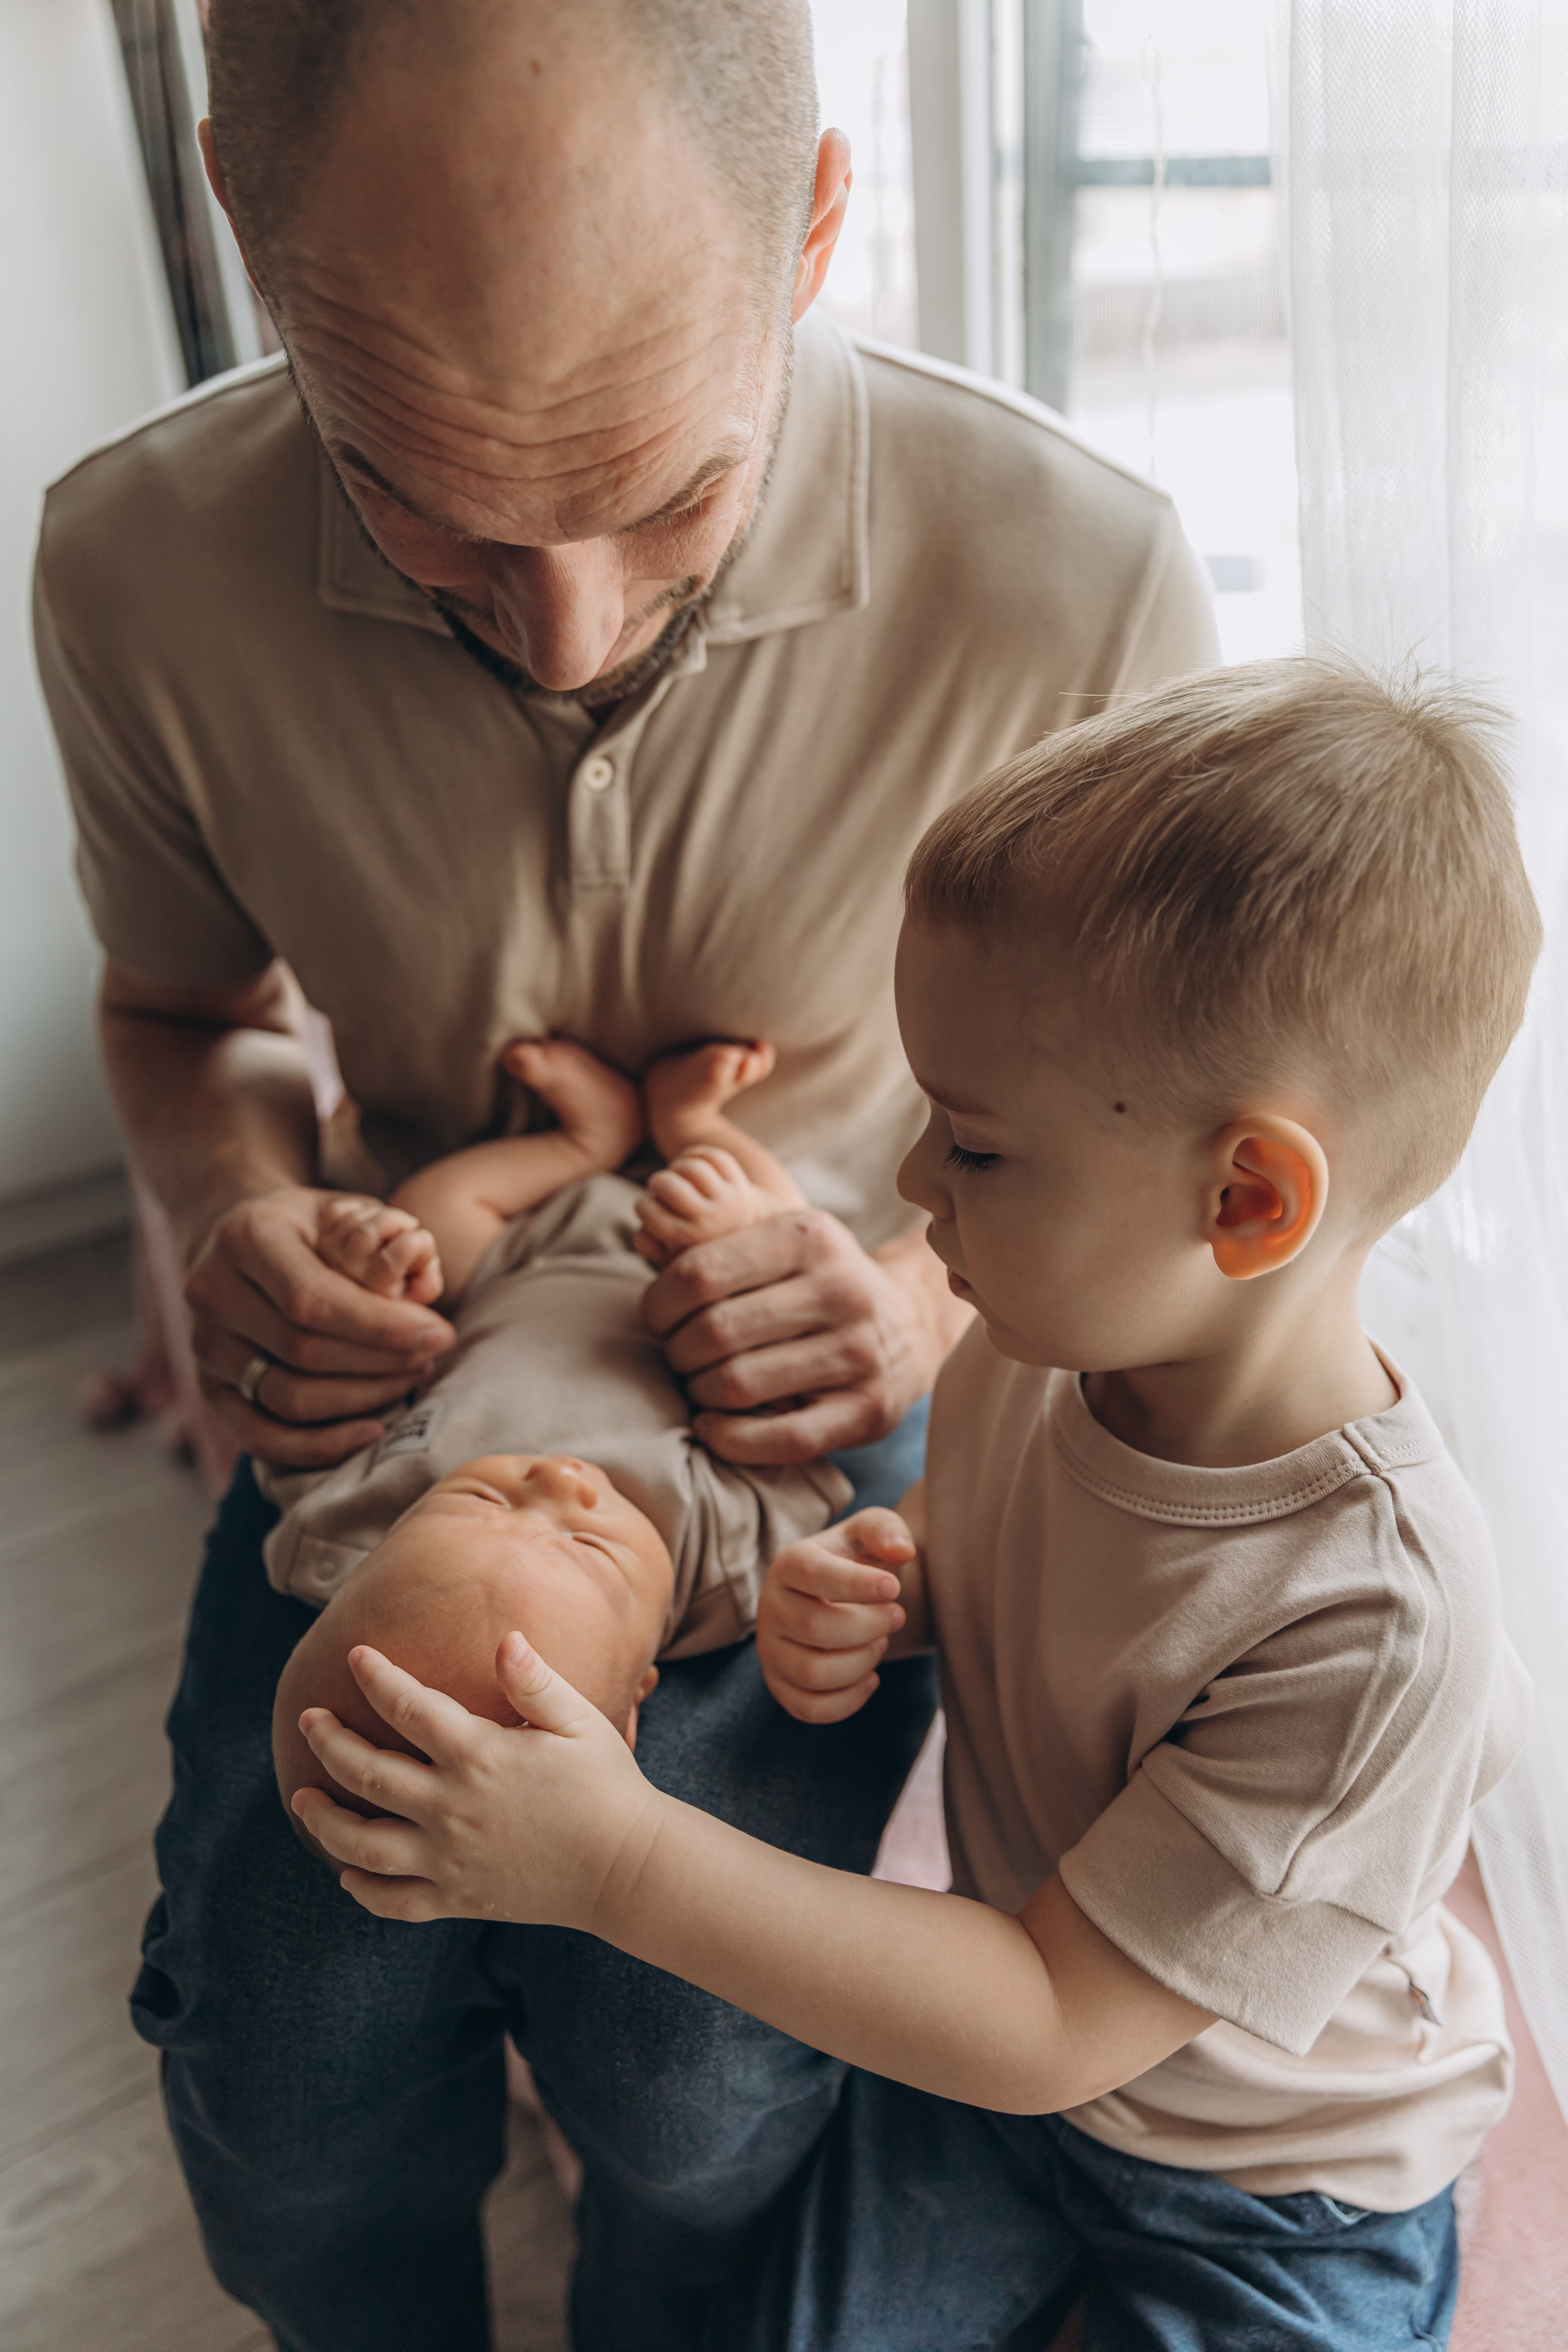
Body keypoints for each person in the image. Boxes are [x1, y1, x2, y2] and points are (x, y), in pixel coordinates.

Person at [33, 0, 1215, 2341]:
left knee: (696, 2076)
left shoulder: (1083, 585)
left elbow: (1184, 1165)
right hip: (415, 1370)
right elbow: (184, 1026)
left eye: (669, 493)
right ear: (241, 234)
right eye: (426, 497)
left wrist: (925, 1296)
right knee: (287, 2057)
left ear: (817, 221)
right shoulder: (131, 568)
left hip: (828, 1386)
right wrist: (231, 1218)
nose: (564, 629)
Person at [298, 660, 1536, 2352]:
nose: (907, 1189)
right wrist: (890, 1582)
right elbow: (1020, 1576)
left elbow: (1045, 2016)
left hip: (1272, 2178)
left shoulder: (1374, 1620)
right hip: (1008, 2105)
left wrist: (613, 1859)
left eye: (975, 1145)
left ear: (1245, 1198)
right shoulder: (1036, 1344)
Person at [272, 1031, 850, 1830]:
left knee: (427, 1217)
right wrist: (733, 1233)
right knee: (790, 1261)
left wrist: (374, 1269)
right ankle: (693, 1122)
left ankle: (585, 1139)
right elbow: (797, 1423)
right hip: (700, 1285)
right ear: (633, 1696)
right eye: (590, 1546)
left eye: (483, 1502)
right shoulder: (717, 1565)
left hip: (514, 1258)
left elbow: (311, 1421)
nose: (561, 1482)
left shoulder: (356, 1523)